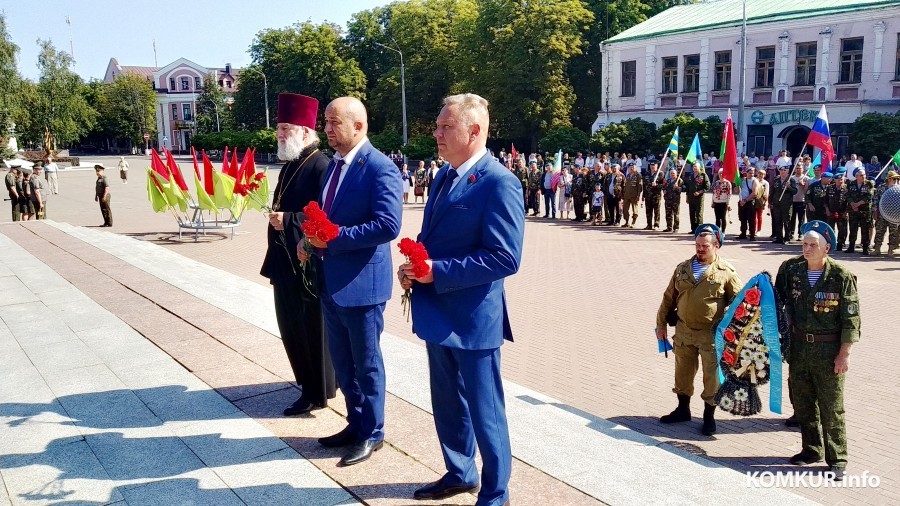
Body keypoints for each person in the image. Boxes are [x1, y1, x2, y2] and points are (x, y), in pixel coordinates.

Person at [399, 92, 524, 506]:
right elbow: (433, 237)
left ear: (474, 131)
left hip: (473, 320)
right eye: (437, 125)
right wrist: (416, 263)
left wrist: (438, 271)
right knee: (448, 405)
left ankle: (495, 493)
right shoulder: (443, 176)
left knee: (486, 415)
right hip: (438, 312)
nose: (436, 133)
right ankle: (460, 472)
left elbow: (505, 257)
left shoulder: (499, 181)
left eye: (445, 126)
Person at [297, 96, 402, 467]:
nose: (326, 128)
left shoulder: (380, 168)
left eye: (333, 121)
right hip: (331, 281)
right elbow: (325, 215)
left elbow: (389, 225)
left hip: (362, 285)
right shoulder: (333, 167)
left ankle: (373, 433)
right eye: (325, 121)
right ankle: (355, 423)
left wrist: (335, 238)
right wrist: (307, 237)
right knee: (343, 362)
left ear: (359, 126)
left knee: (367, 364)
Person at [261, 93, 336, 417]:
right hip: (285, 264)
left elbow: (328, 217)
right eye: (278, 127)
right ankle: (311, 384)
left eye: (284, 128)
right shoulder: (291, 164)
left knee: (309, 331)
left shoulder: (322, 165)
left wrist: (289, 219)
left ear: (305, 132)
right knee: (291, 329)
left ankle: (315, 393)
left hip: (306, 266)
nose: (278, 133)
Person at [774, 220, 859, 481]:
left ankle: (838, 458)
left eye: (813, 245)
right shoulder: (792, 270)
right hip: (798, 348)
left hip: (828, 350)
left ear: (827, 248)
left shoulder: (841, 276)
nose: (807, 248)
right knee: (803, 403)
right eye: (804, 244)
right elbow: (777, 301)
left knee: (832, 407)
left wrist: (844, 354)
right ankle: (811, 450)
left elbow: (851, 320)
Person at [656, 224, 742, 436]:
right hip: (684, 331)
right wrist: (660, 325)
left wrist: (733, 328)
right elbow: (668, 298)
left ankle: (708, 416)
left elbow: (740, 302)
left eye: (705, 246)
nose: (700, 249)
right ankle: (682, 409)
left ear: (716, 246)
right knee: (682, 373)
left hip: (711, 335)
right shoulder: (682, 268)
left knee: (711, 376)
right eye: (697, 245)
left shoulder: (726, 272)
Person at [845, 168, 875, 255]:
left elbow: (869, 196)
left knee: (865, 230)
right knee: (853, 228)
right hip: (853, 210)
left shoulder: (869, 184)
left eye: (864, 175)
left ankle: (865, 248)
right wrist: (852, 204)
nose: (863, 177)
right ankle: (851, 246)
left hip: (864, 211)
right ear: (856, 176)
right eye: (861, 175)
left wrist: (858, 204)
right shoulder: (851, 183)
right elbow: (847, 195)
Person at [873, 170, 900, 255]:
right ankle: (877, 248)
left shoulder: (898, 189)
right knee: (880, 231)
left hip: (894, 215)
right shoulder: (882, 187)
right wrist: (875, 211)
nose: (895, 181)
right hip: (882, 214)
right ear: (889, 179)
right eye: (894, 179)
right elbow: (875, 199)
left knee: (893, 233)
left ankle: (891, 249)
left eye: (897, 179)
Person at [769, 166, 797, 243]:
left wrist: (789, 187)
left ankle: (787, 238)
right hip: (776, 204)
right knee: (777, 221)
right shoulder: (776, 180)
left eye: (785, 170)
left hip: (786, 205)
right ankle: (779, 238)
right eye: (781, 170)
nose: (783, 172)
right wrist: (770, 202)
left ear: (787, 172)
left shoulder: (791, 180)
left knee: (787, 221)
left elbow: (795, 191)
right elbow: (772, 192)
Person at [684, 162, 710, 233]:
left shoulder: (703, 175)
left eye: (696, 167)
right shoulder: (690, 176)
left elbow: (707, 187)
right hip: (691, 198)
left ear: (699, 167)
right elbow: (688, 188)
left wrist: (699, 192)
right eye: (693, 167)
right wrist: (687, 197)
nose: (694, 168)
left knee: (699, 214)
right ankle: (693, 229)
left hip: (699, 198)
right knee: (692, 213)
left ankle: (699, 229)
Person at [824, 175, 849, 251]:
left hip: (842, 212)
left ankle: (840, 244)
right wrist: (827, 210)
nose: (840, 181)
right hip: (831, 212)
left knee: (842, 230)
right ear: (835, 180)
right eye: (838, 179)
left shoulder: (847, 189)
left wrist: (846, 212)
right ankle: (831, 244)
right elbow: (825, 200)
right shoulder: (829, 188)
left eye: (841, 179)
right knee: (830, 230)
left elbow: (849, 201)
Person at [789, 165, 810, 240]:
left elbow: (808, 191)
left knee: (801, 219)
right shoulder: (791, 178)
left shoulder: (806, 178)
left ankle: (800, 234)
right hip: (793, 201)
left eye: (800, 168)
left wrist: (803, 185)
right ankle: (791, 233)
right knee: (792, 218)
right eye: (797, 168)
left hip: (802, 201)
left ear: (803, 169)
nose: (798, 170)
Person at [737, 167, 758, 240]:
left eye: (753, 173)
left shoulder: (755, 181)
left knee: (751, 219)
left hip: (750, 202)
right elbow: (737, 190)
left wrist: (745, 200)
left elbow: (754, 193)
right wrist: (737, 185)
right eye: (750, 173)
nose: (752, 174)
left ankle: (752, 235)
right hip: (742, 202)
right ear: (747, 173)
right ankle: (743, 233)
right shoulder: (743, 180)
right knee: (742, 218)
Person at [621, 164, 643, 228]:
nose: (631, 169)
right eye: (630, 167)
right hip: (627, 195)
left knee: (634, 209)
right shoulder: (628, 175)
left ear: (635, 168)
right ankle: (626, 222)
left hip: (634, 195)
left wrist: (638, 195)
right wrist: (623, 194)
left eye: (632, 167)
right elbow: (625, 186)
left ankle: (633, 222)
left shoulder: (638, 175)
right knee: (625, 209)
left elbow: (640, 186)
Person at [711, 168, 732, 235]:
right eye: (720, 173)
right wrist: (712, 202)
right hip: (716, 202)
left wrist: (728, 203)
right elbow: (714, 193)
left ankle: (723, 232)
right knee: (717, 218)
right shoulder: (716, 183)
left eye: (722, 173)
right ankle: (717, 231)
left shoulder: (727, 183)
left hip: (724, 202)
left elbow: (729, 193)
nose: (721, 175)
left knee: (723, 217)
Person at [643, 162, 663, 230]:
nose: (652, 167)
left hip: (656, 195)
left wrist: (657, 185)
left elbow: (664, 185)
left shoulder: (660, 174)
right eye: (651, 165)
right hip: (648, 195)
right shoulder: (647, 173)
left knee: (656, 211)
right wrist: (643, 195)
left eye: (654, 165)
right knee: (648, 211)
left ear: (657, 166)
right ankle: (649, 225)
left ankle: (656, 225)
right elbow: (644, 185)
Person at [663, 168, 683, 232]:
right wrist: (664, 190)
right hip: (668, 200)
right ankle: (669, 227)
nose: (672, 174)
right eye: (671, 173)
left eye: (673, 173)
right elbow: (664, 187)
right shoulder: (668, 181)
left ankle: (676, 227)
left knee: (676, 214)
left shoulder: (679, 180)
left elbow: (683, 189)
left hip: (675, 200)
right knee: (668, 214)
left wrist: (678, 187)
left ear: (676, 174)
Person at [755, 169, 770, 235]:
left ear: (764, 175)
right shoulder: (755, 181)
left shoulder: (766, 183)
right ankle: (752, 229)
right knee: (753, 216)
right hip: (754, 199)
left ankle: (758, 230)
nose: (760, 175)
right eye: (759, 174)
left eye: (762, 174)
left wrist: (765, 202)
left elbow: (766, 193)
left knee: (759, 216)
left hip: (761, 200)